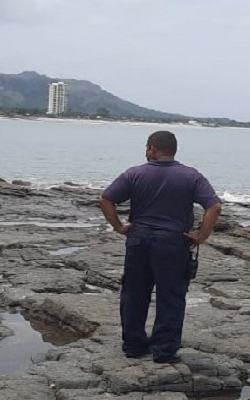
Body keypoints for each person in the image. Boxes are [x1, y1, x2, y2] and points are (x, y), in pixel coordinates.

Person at [99, 130, 222, 364]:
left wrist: (118, 226)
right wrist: (202, 235)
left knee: (134, 294)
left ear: (153, 148)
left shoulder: (135, 173)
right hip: (173, 242)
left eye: (147, 148)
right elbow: (214, 207)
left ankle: (134, 345)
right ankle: (164, 350)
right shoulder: (191, 176)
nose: (146, 152)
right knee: (171, 297)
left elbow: (106, 199)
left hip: (139, 239)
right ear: (173, 150)